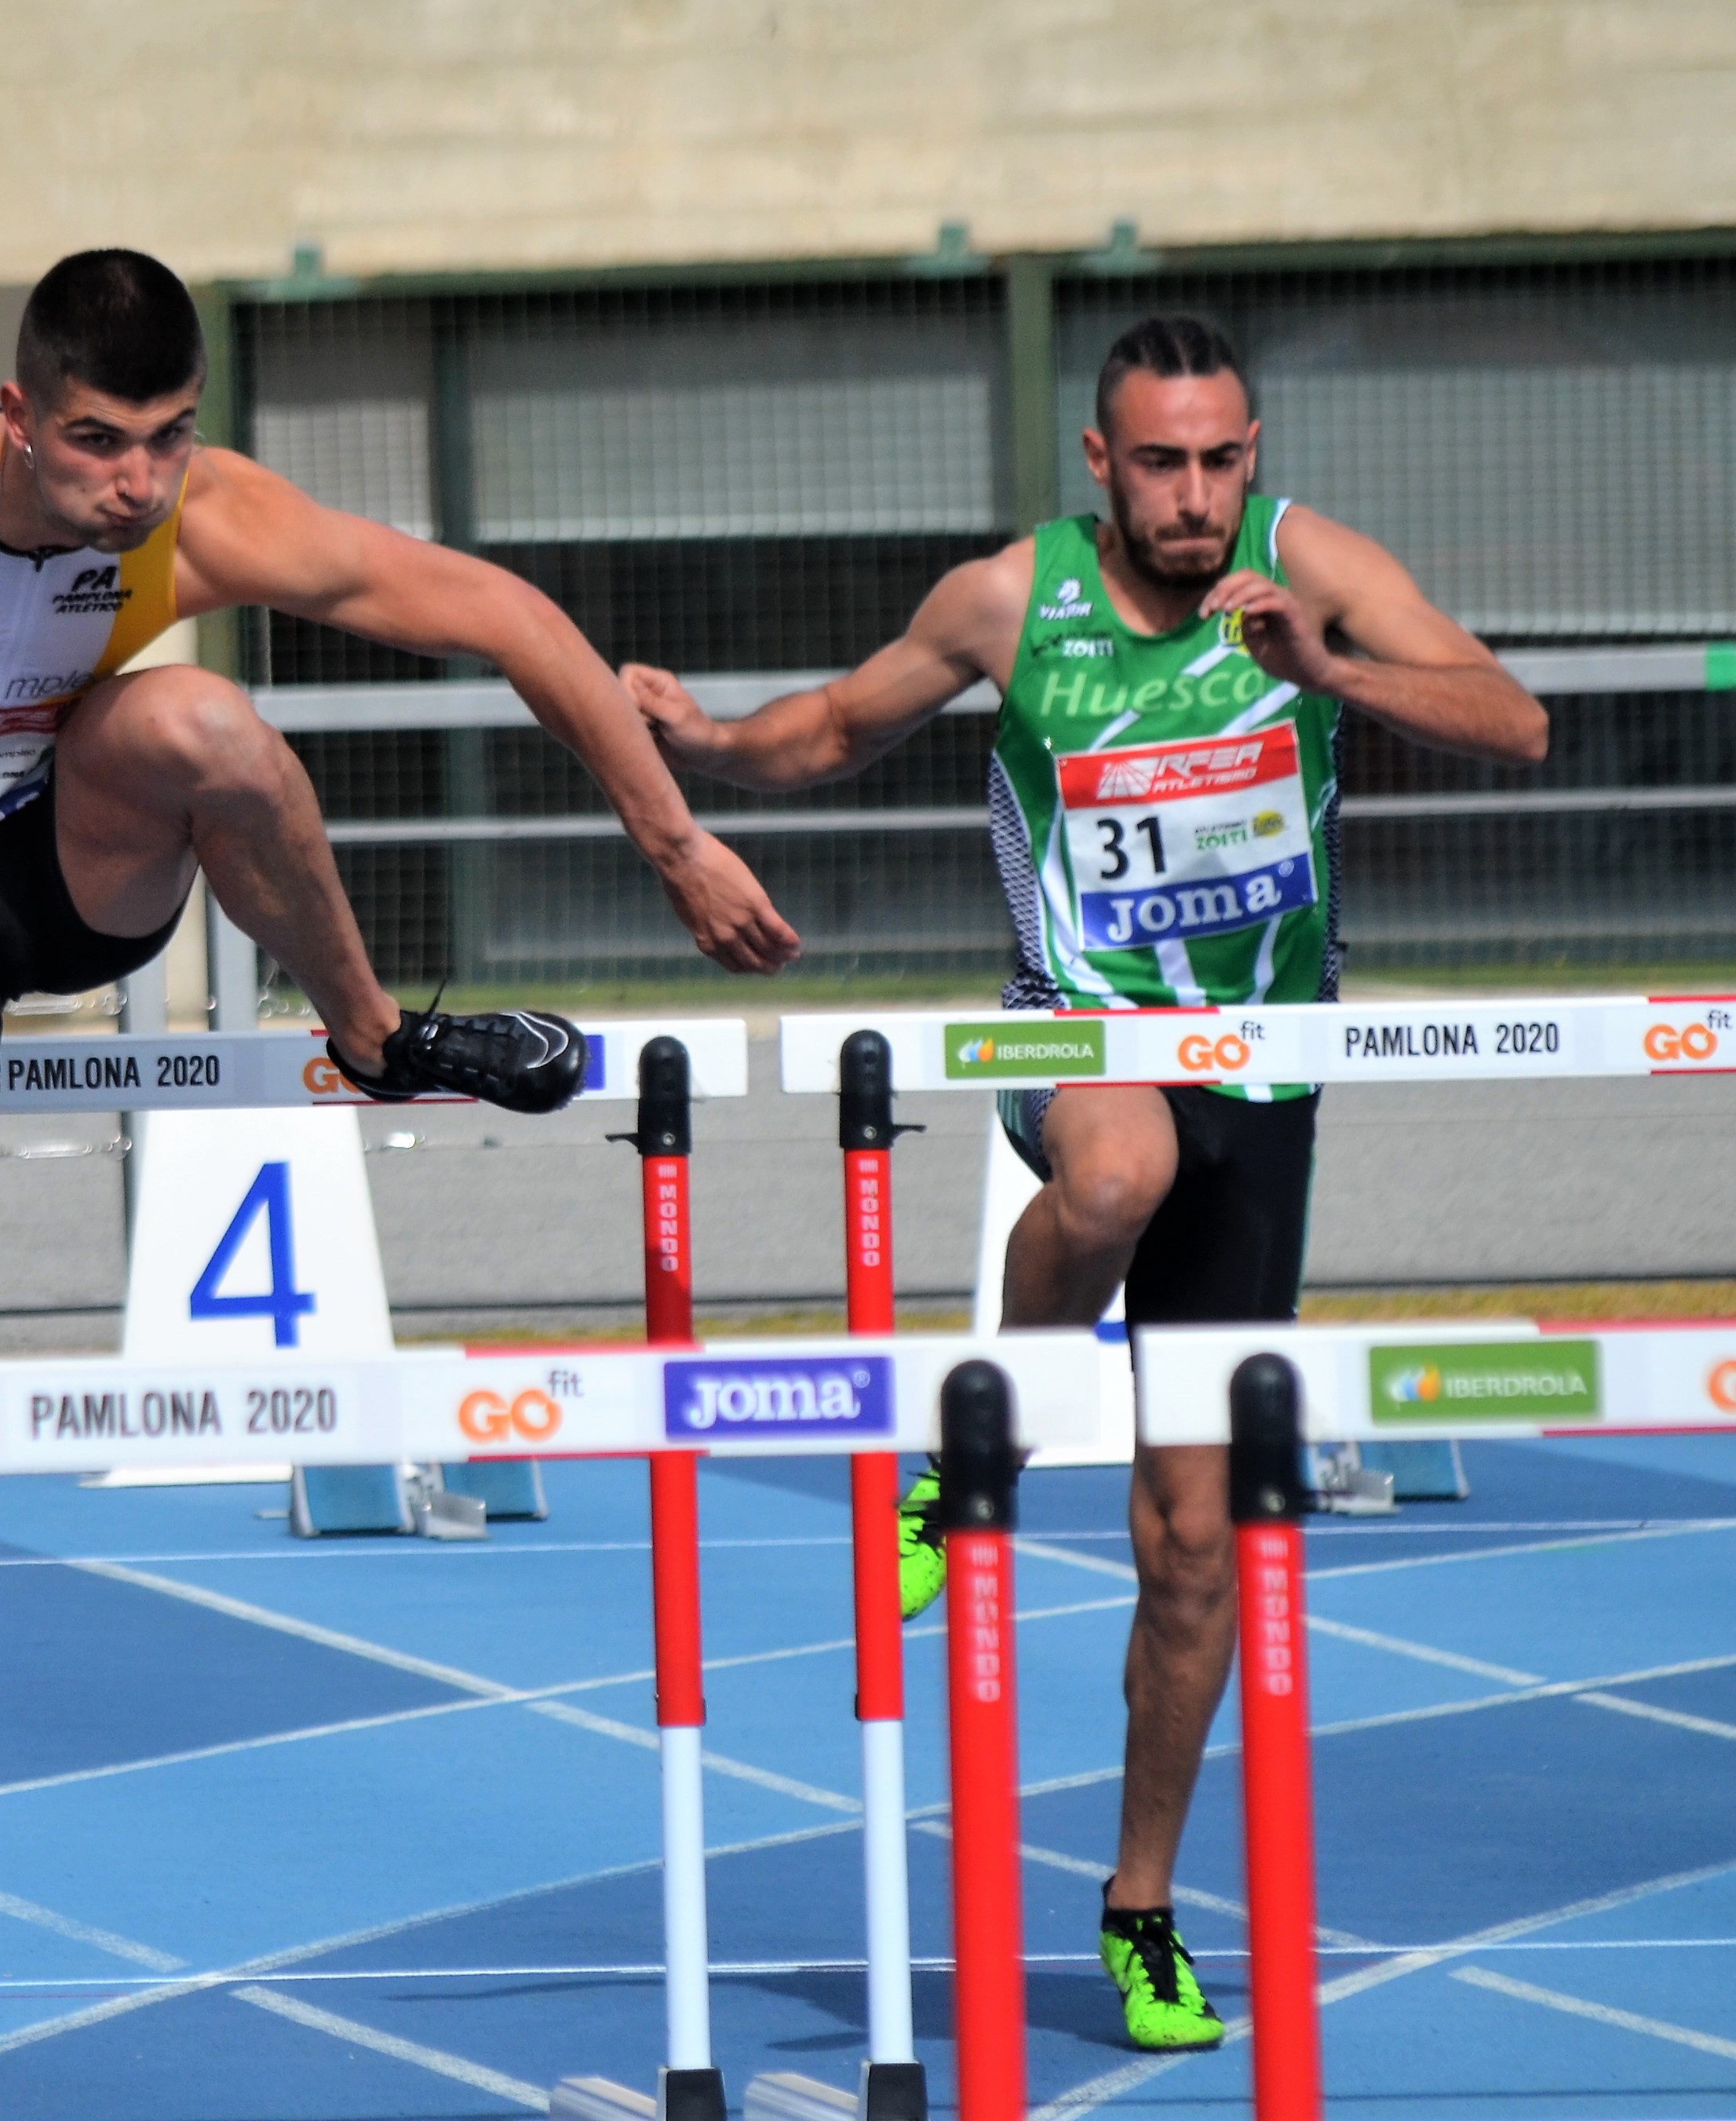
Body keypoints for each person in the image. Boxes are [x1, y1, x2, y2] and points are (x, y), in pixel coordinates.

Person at [0, 248, 798, 1731]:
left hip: (74, 857)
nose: (138, 482)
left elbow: (502, 613)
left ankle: (376, 1036)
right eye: (99, 441)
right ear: (20, 416)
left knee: (207, 722)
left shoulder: (200, 510)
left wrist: (676, 846)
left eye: (168, 434)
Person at [622, 312, 1547, 2051]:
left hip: (1263, 1076)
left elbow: (1516, 721)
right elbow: (838, 727)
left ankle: (1139, 1906)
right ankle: (977, 1448)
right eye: (1160, 465)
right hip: (1080, 1030)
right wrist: (702, 741)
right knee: (1115, 1171)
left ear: (1253, 453)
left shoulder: (1314, 572)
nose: (1194, 498)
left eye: (1221, 462)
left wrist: (1330, 674)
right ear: (1101, 463)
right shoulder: (1010, 598)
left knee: (1192, 1550)